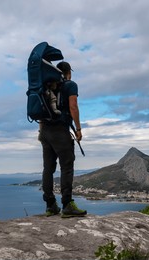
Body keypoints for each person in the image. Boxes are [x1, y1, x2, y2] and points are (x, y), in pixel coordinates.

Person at [38, 61, 87, 218]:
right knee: (66, 166)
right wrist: (78, 129)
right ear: (68, 72)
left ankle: (50, 205)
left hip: (44, 131)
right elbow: (73, 106)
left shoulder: (45, 86)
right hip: (60, 130)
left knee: (48, 168)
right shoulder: (70, 85)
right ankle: (67, 205)